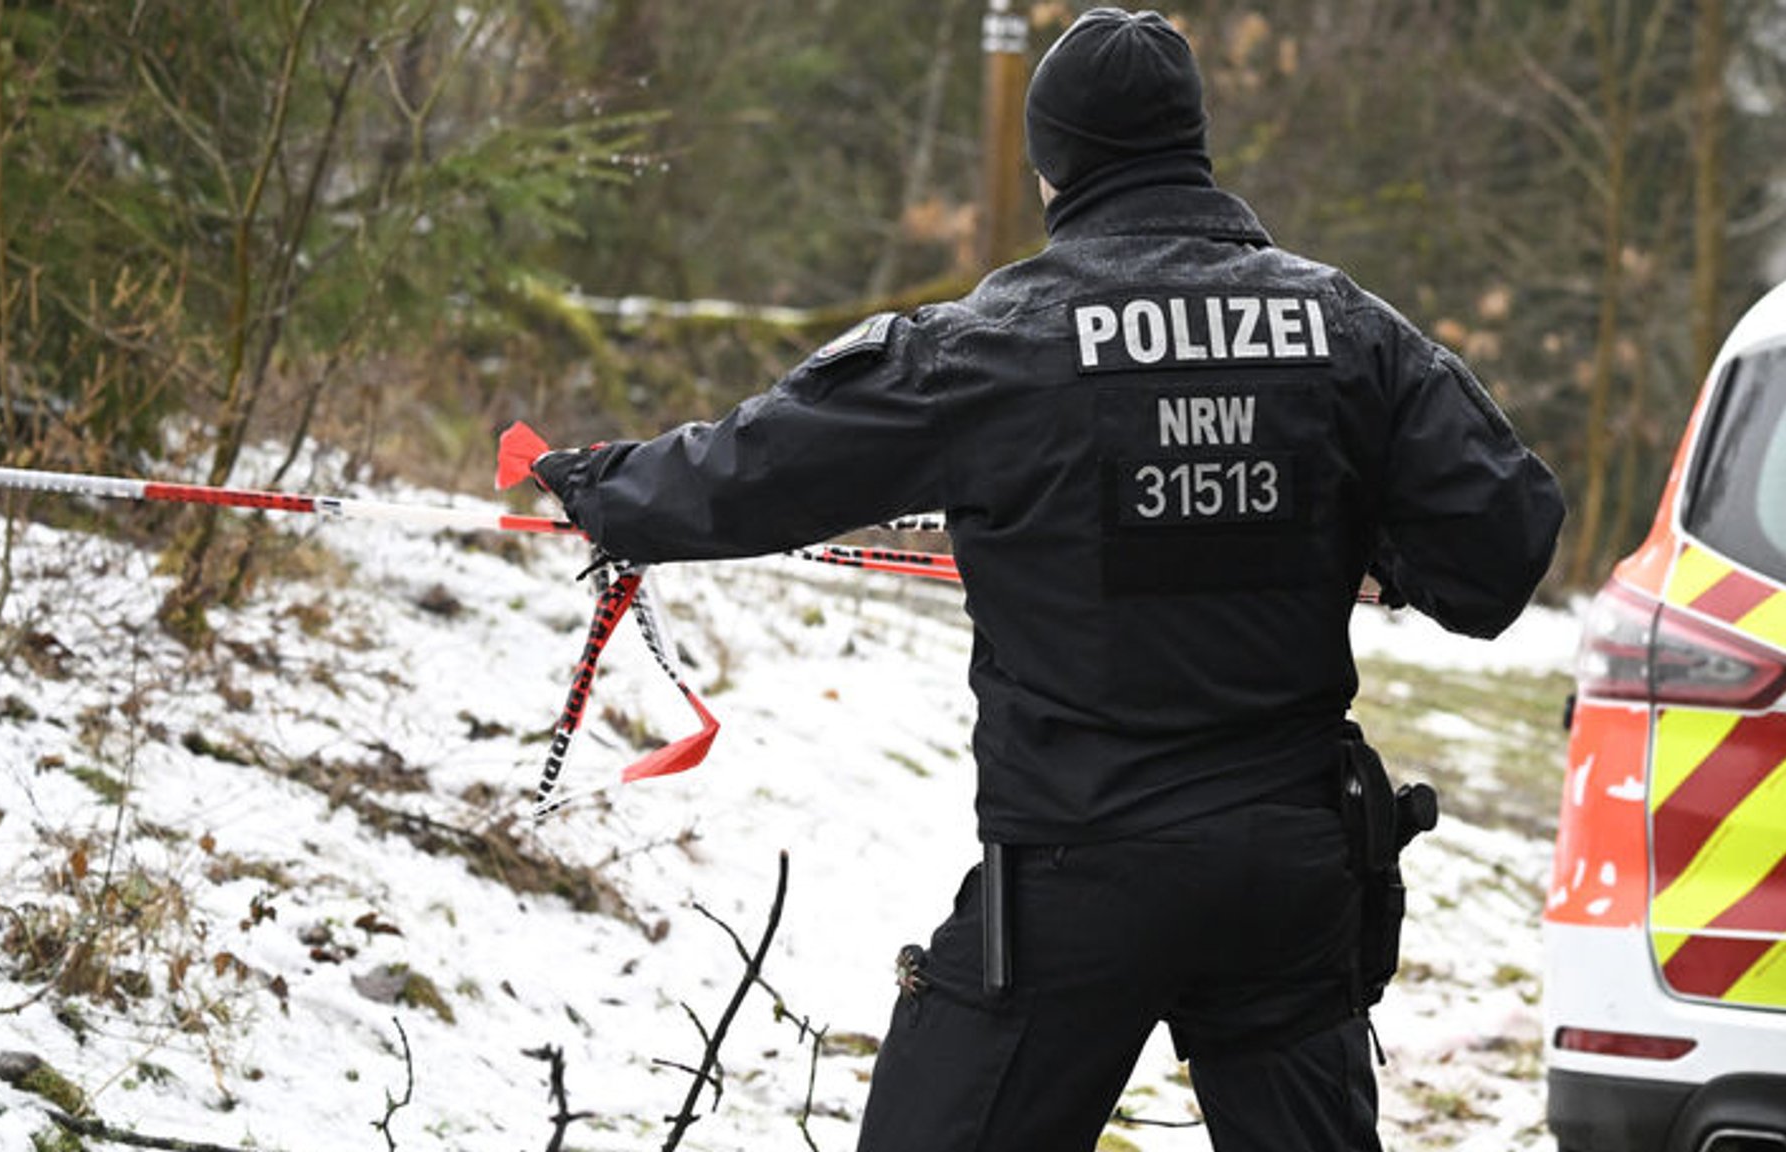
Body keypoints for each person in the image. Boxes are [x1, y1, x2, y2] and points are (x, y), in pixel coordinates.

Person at [533, 8, 1564, 1150]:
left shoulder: (996, 343)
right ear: (1193, 143)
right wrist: (1364, 536)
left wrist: (598, 487)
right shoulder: (1346, 330)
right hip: (1286, 874)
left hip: (1080, 877)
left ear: (1049, 165)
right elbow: (1502, 546)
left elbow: (767, 466)